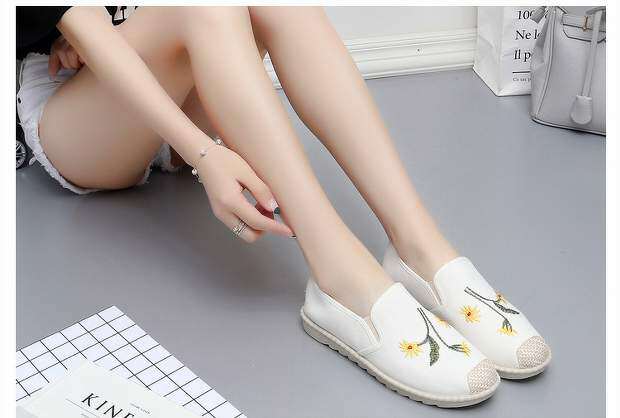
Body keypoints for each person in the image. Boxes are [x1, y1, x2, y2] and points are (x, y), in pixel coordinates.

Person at [16, 6, 551, 407]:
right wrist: (204, 153)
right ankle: (340, 277)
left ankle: (420, 247)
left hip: (168, 69)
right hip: (78, 112)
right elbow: (89, 29)